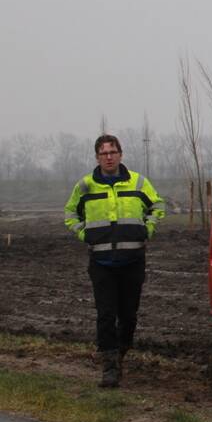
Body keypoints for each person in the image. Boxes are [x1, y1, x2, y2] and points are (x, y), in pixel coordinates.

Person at [64, 135, 165, 388]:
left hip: (133, 261)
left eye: (112, 152)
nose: (108, 157)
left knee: (128, 316)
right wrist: (84, 234)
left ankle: (121, 351)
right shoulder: (85, 185)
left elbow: (157, 205)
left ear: (120, 154)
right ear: (97, 157)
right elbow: (70, 213)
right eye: (103, 153)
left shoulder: (138, 182)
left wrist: (148, 229)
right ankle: (109, 367)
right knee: (106, 315)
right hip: (101, 263)